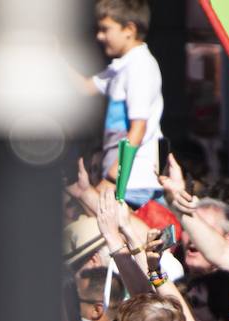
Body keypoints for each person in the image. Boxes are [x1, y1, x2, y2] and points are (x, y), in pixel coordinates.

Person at [81, 0, 163, 206]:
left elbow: (138, 128)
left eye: (105, 29)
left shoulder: (140, 66)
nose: (100, 36)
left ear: (129, 29)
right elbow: (85, 87)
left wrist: (113, 177)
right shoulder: (121, 67)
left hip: (134, 185)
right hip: (123, 184)